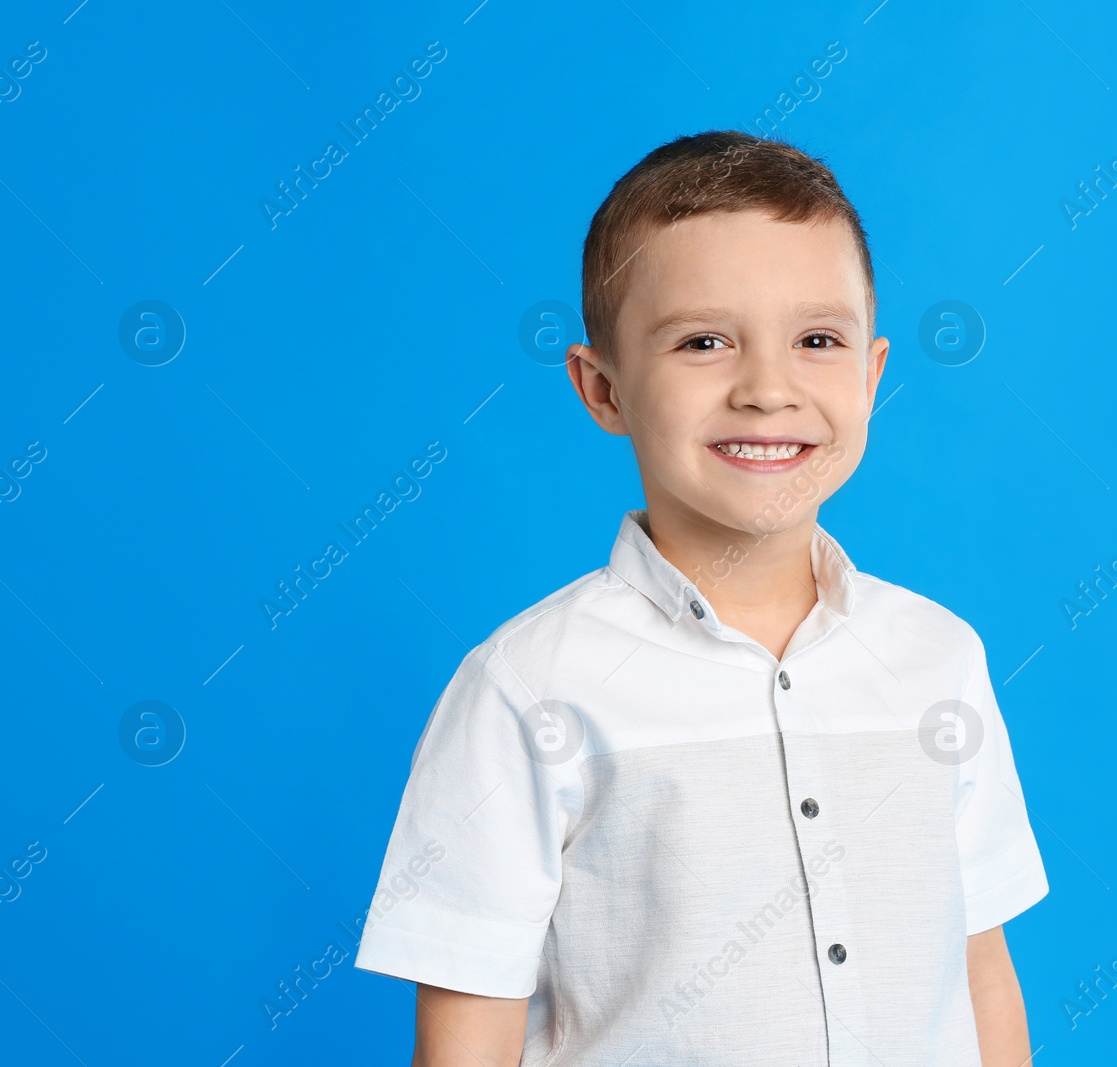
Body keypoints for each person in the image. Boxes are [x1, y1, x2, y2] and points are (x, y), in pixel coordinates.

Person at [353, 129, 1049, 1066]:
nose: (768, 389)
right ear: (603, 389)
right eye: (704, 341)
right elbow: (468, 1032)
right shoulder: (526, 689)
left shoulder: (939, 658)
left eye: (816, 340)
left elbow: (980, 971)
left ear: (873, 375)